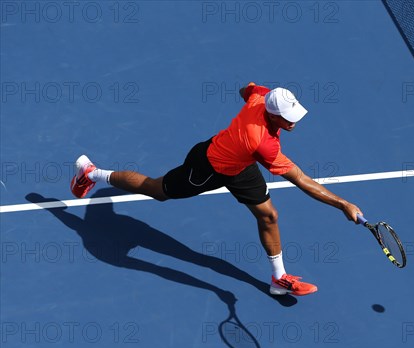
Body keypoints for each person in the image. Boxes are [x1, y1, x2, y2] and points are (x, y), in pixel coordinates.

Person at [70, 83, 363, 296]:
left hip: (241, 164)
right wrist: (343, 204)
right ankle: (92, 173)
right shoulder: (263, 142)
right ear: (273, 116)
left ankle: (279, 278)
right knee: (156, 190)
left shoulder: (261, 98)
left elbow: (246, 90)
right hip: (206, 168)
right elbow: (300, 179)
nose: (294, 121)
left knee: (268, 216)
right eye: (289, 118)